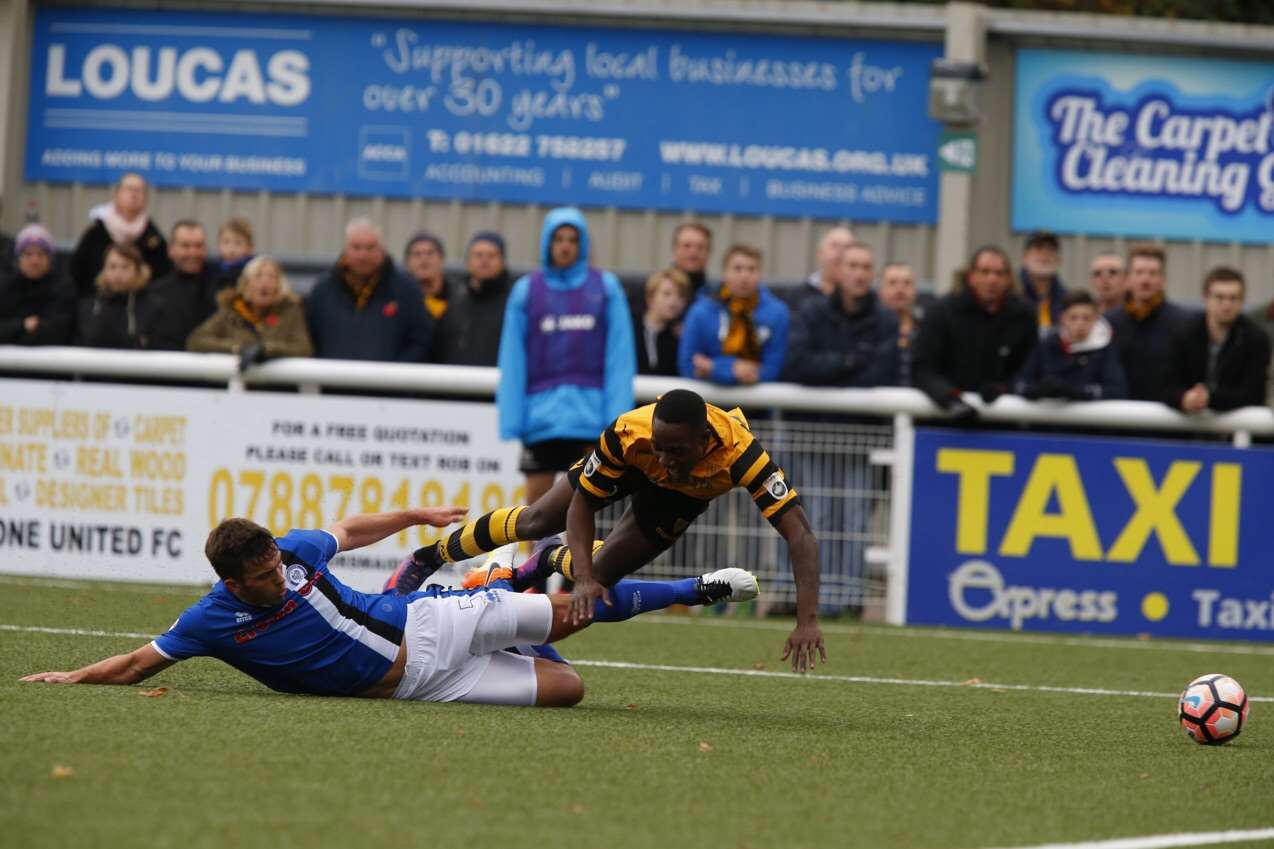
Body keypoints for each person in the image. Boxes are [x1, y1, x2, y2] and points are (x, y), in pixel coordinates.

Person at [19, 509, 759, 707]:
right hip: (423, 683)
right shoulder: (213, 619)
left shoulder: (295, 551)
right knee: (570, 688)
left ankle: (698, 590)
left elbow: (350, 530)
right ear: (233, 583)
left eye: (278, 562)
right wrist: (74, 677)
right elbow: (141, 660)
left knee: (578, 608)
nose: (279, 574)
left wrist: (412, 514)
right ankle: (513, 594)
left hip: (434, 621)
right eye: (265, 574)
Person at [385, 389, 826, 672]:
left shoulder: (742, 453)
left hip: (679, 500)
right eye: (661, 446)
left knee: (594, 589)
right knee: (540, 520)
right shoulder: (628, 433)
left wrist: (807, 620)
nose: (667, 458)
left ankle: (533, 573)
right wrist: (586, 578)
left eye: (678, 450)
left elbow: (800, 534)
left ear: (704, 438)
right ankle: (430, 556)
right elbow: (584, 504)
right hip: (630, 470)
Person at [495, 206, 635, 519]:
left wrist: (616, 423)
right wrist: (513, 419)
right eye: (559, 238)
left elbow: (620, 359)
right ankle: (530, 570)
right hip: (541, 422)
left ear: (583, 243)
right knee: (533, 514)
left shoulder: (606, 288)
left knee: (588, 513)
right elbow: (513, 361)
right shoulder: (526, 291)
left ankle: (582, 570)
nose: (565, 245)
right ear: (548, 242)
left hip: (591, 422)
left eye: (573, 238)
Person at [914, 245, 1037, 420]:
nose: (992, 279)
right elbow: (923, 368)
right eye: (985, 272)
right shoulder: (941, 312)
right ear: (971, 277)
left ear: (1009, 278)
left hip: (1005, 422)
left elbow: (1031, 368)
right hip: (947, 421)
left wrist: (1005, 388)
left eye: (999, 273)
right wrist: (950, 398)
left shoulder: (1024, 317)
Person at [305, 218, 435, 362]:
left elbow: (422, 340)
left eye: (370, 248)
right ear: (346, 249)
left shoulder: (406, 289)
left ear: (382, 249)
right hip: (331, 381)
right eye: (356, 247)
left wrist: (395, 373)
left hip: (388, 382)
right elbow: (308, 339)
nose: (363, 255)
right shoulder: (323, 291)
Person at [783, 242, 898, 387]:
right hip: (815, 409)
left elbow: (882, 374)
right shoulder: (811, 312)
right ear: (838, 271)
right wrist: (849, 361)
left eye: (866, 267)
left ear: (873, 274)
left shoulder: (886, 319)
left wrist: (830, 374)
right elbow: (796, 366)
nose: (860, 274)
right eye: (853, 266)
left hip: (864, 408)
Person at [678, 243, 789, 386]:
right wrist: (734, 369)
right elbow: (688, 365)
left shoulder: (777, 313)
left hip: (757, 405)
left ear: (760, 274)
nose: (744, 276)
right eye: (737, 269)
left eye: (751, 269)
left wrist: (713, 367)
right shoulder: (701, 311)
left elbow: (775, 367)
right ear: (725, 273)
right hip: (709, 403)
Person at [1163, 266, 1269, 413]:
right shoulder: (1183, 334)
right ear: (1205, 298)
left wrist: (1209, 399)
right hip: (1188, 429)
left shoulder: (1256, 340)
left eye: (1233, 298)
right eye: (1219, 297)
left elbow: (1253, 394)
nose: (1227, 305)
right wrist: (1184, 398)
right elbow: (1166, 385)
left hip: (1237, 430)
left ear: (1242, 301)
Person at [1105, 244, 1194, 402]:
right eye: (1139, 272)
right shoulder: (1108, 323)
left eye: (1153, 273)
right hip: (1118, 419)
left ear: (1163, 280)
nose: (1145, 280)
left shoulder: (1183, 323)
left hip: (1167, 420)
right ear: (1128, 278)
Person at [187, 256, 314, 364]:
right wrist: (238, 348)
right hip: (235, 385)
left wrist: (267, 350)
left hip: (276, 388)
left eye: (272, 277)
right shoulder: (231, 310)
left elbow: (303, 348)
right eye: (258, 276)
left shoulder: (290, 312)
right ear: (246, 284)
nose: (265, 283)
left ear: (279, 285)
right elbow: (196, 340)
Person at [70, 173, 170, 298]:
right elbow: (77, 273)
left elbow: (163, 277)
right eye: (129, 189)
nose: (134, 195)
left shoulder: (154, 238)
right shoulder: (96, 233)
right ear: (116, 194)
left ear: (146, 199)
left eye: (139, 191)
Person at [1014, 290, 1126, 401]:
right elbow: (1020, 383)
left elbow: (1116, 390)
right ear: (1063, 319)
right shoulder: (1046, 346)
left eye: (1086, 318)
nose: (1080, 323)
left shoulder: (1105, 349)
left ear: (1095, 319)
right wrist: (1039, 390)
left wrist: (1077, 392)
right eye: (1073, 317)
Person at [434, 231, 512, 367]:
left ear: (502, 261)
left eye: (491, 255)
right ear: (468, 262)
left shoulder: (513, 303)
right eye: (478, 255)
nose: (484, 260)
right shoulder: (453, 301)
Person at [146, 220, 220, 351]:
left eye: (198, 246)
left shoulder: (222, 290)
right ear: (171, 250)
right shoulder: (154, 294)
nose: (193, 253)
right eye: (185, 246)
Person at [74, 242, 163, 349]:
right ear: (104, 270)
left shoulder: (153, 307)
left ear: (137, 271)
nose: (118, 273)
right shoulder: (89, 306)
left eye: (125, 267)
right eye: (112, 267)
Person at [0, 223, 77, 346]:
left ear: (50, 259)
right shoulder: (5, 287)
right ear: (18, 258)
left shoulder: (63, 289)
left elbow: (58, 332)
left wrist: (15, 333)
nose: (34, 261)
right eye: (28, 254)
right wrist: (23, 325)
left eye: (41, 254)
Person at [634, 268, 691, 376]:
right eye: (667, 294)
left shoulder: (681, 336)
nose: (674, 301)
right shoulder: (630, 329)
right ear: (650, 297)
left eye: (681, 296)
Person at [877, 261, 924, 386]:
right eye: (892, 283)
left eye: (907, 283)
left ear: (915, 291)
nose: (900, 289)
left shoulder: (927, 328)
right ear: (880, 291)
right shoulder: (868, 327)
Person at [787, 226, 853, 309]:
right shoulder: (796, 297)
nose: (841, 252)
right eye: (835, 246)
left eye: (847, 247)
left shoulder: (864, 300)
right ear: (819, 254)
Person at [1019, 230, 1067, 338]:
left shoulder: (1066, 300)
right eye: (1038, 248)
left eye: (1051, 249)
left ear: (1059, 259)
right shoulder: (1010, 295)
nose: (1045, 254)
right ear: (1024, 257)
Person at [404, 231, 448, 322]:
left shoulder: (460, 300)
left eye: (430, 253)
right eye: (417, 254)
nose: (424, 259)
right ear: (407, 263)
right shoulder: (399, 302)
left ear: (441, 259)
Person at [669, 221, 713, 297]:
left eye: (700, 247)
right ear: (674, 250)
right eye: (687, 246)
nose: (693, 252)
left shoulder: (717, 298)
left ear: (708, 254)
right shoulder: (653, 293)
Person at [214, 217, 255, 294]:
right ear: (218, 245)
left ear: (250, 248)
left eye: (238, 243)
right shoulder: (212, 270)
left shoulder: (252, 273)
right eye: (226, 242)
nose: (231, 250)